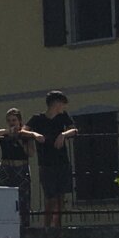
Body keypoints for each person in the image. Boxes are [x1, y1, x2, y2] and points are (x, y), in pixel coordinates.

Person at [26, 91, 79, 227]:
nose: (64, 108)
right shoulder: (37, 118)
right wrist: (35, 134)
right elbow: (23, 131)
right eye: (62, 104)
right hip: (46, 163)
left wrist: (63, 134)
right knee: (50, 197)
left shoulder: (63, 117)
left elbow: (74, 130)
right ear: (56, 103)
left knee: (61, 198)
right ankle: (47, 227)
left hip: (62, 161)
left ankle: (58, 227)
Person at [0, 108, 39, 221]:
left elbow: (31, 153)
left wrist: (21, 140)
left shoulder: (26, 135)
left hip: (21, 168)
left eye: (14, 120)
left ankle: (24, 225)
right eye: (9, 120)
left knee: (23, 199)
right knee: (5, 197)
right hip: (6, 167)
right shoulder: (5, 134)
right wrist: (8, 131)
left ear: (19, 121)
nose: (12, 123)